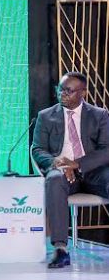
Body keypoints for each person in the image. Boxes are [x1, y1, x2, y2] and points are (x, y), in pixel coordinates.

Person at [33, 71, 109, 269]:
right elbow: (38, 148)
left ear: (83, 92)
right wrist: (58, 163)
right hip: (63, 173)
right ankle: (60, 249)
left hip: (94, 172)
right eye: (60, 89)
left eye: (69, 90)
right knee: (54, 179)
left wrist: (78, 164)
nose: (62, 94)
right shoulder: (46, 116)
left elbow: (106, 149)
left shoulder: (99, 115)